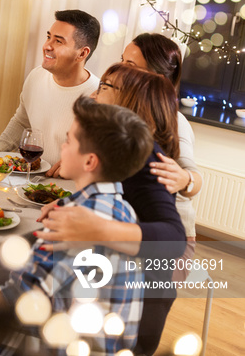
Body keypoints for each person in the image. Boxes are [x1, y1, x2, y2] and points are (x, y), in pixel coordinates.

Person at [0, 97, 153, 356]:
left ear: (90, 162)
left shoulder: (74, 221)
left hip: (56, 345)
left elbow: (15, 298)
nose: (62, 145)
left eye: (69, 140)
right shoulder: (124, 209)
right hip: (107, 344)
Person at [39, 64, 187, 355]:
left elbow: (173, 238)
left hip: (135, 309)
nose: (94, 93)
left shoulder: (148, 159)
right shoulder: (125, 151)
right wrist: (70, 203)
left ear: (130, 99)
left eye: (105, 87)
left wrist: (97, 228)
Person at [122, 33, 203, 282]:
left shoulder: (175, 122)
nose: (119, 70)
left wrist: (185, 179)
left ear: (155, 77)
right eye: (121, 61)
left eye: (130, 66)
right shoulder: (123, 113)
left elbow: (195, 179)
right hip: (134, 229)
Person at [0, 10, 101, 168]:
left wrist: (76, 164)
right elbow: (22, 121)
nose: (46, 46)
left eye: (58, 41)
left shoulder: (99, 96)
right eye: (48, 37)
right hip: (31, 178)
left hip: (69, 186)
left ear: (82, 53)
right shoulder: (36, 76)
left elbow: (101, 155)